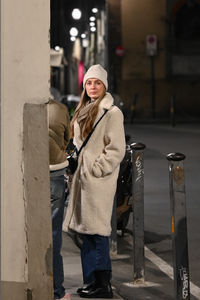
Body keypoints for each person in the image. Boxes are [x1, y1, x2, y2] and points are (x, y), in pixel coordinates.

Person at [64, 64, 126, 298]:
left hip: (98, 181)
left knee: (97, 232)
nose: (92, 87)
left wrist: (97, 169)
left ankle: (102, 285)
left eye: (97, 83)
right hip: (82, 179)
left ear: (104, 86)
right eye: (89, 83)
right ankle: (91, 281)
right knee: (85, 232)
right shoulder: (84, 108)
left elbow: (116, 149)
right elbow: (77, 144)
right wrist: (72, 161)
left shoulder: (112, 113)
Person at [48, 98, 71, 300]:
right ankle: (57, 291)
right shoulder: (60, 109)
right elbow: (67, 140)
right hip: (55, 172)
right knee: (54, 233)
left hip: (28, 174)